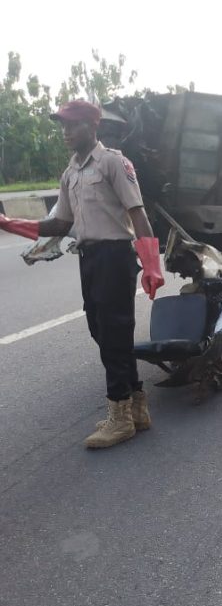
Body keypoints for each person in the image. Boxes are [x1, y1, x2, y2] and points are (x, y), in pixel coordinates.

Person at [0, 100, 164, 449]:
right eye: (63, 125)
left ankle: (119, 417)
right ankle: (137, 407)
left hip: (116, 256)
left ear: (93, 126)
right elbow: (61, 223)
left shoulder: (113, 163)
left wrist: (151, 264)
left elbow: (138, 214)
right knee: (101, 330)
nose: (65, 132)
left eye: (72, 125)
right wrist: (10, 224)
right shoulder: (71, 172)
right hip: (89, 257)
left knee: (114, 332)